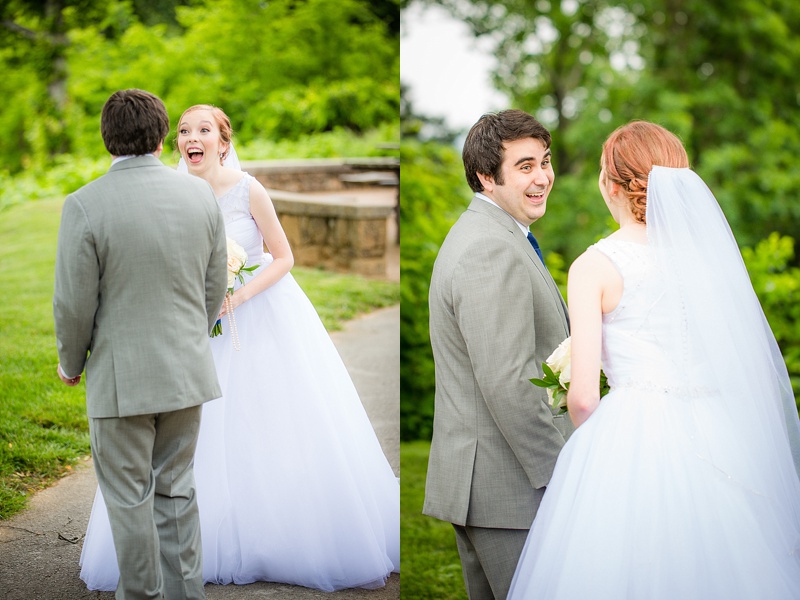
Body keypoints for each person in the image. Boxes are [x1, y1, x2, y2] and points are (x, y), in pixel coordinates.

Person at [78, 104, 400, 593]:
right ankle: (186, 549)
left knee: (266, 419)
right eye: (184, 130)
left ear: (223, 141)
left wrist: (239, 293)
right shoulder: (171, 193)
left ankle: (273, 534)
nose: (193, 137)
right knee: (192, 435)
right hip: (189, 329)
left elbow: (284, 255)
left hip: (257, 316)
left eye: (204, 129)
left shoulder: (250, 190)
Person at [507, 121, 800, 599]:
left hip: (631, 435)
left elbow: (581, 397)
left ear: (611, 183)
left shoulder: (594, 266)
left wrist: (601, 452)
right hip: (718, 430)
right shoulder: (708, 262)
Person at [54, 89, 228, 600]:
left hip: (119, 378)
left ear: (107, 138)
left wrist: (71, 361)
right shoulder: (199, 196)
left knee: (129, 499)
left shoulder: (84, 205)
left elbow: (73, 304)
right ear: (160, 136)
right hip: (185, 371)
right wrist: (187, 338)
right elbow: (213, 285)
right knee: (177, 490)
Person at [424, 109, 572, 600]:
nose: (543, 177)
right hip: (509, 490)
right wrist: (563, 478)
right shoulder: (491, 248)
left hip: (492, 486)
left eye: (545, 162)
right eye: (525, 166)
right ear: (488, 177)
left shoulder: (498, 235)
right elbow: (509, 382)